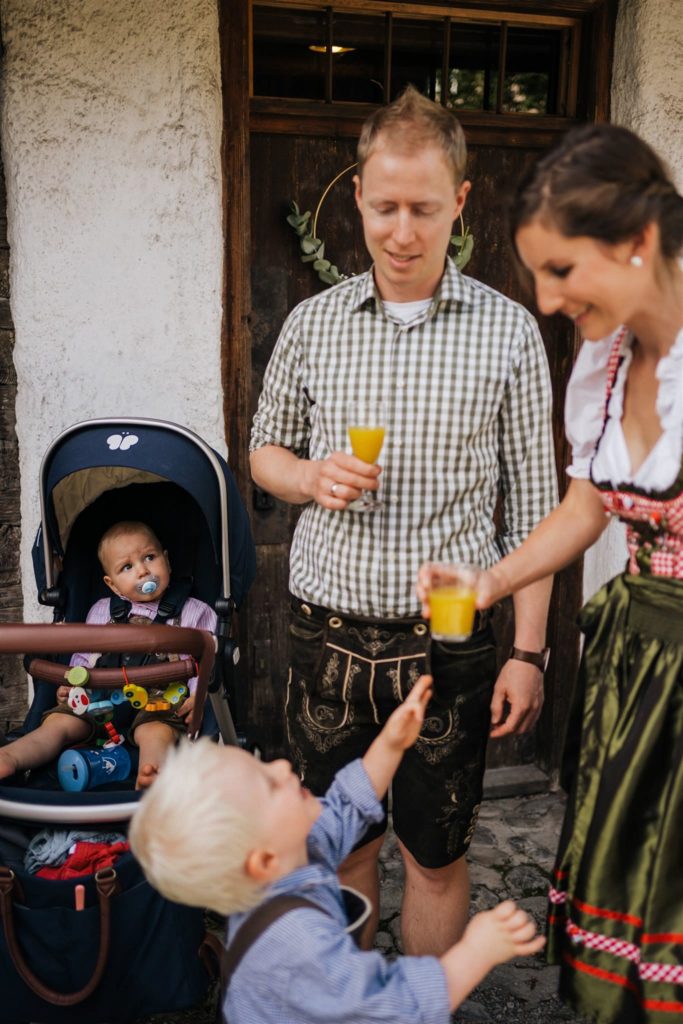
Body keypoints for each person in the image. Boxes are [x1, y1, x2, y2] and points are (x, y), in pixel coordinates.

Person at [249, 84, 558, 954]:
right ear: (356, 196)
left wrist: (527, 653)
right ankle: (350, 1005)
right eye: (383, 206)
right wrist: (308, 475)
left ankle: (420, 1009)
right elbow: (263, 451)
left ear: (459, 201)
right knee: (344, 847)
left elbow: (535, 510)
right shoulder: (313, 324)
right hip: (326, 636)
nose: (400, 231)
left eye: (423, 209)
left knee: (435, 858)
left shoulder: (508, 332)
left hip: (447, 645)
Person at [419, 122, 683, 1023]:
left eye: (560, 269)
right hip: (635, 664)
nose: (543, 297)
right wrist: (488, 586)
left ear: (637, 240)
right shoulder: (609, 363)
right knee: (632, 904)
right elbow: (585, 505)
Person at [130, 675, 545, 1024]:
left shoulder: (293, 855)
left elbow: (348, 802)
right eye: (270, 785)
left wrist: (391, 744)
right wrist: (475, 952)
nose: (282, 767)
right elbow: (392, 1004)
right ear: (263, 858)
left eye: (265, 765)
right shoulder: (297, 943)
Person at [0, 520, 216, 789]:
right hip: (99, 700)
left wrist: (198, 696)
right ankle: (11, 757)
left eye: (150, 557)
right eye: (127, 567)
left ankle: (151, 774)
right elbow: (84, 657)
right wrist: (71, 685)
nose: (142, 570)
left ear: (167, 561)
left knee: (155, 732)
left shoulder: (195, 612)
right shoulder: (101, 611)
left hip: (158, 703)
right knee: (58, 723)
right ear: (112, 585)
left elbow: (207, 659)